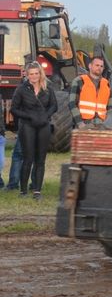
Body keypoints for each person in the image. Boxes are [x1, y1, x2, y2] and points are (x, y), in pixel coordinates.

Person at [10, 62, 58, 198]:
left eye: (36, 73)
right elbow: (14, 109)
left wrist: (45, 116)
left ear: (40, 73)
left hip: (44, 125)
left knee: (40, 159)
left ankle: (37, 191)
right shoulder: (21, 89)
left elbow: (54, 106)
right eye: (31, 74)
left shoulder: (48, 87)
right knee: (28, 158)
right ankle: (23, 191)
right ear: (26, 74)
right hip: (27, 126)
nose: (34, 76)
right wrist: (29, 116)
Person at [70, 56, 112, 128]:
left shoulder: (106, 84)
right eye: (97, 65)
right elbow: (72, 104)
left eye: (101, 66)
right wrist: (80, 123)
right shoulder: (79, 81)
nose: (99, 68)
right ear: (90, 66)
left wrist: (108, 123)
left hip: (101, 125)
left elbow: (110, 107)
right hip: (85, 124)